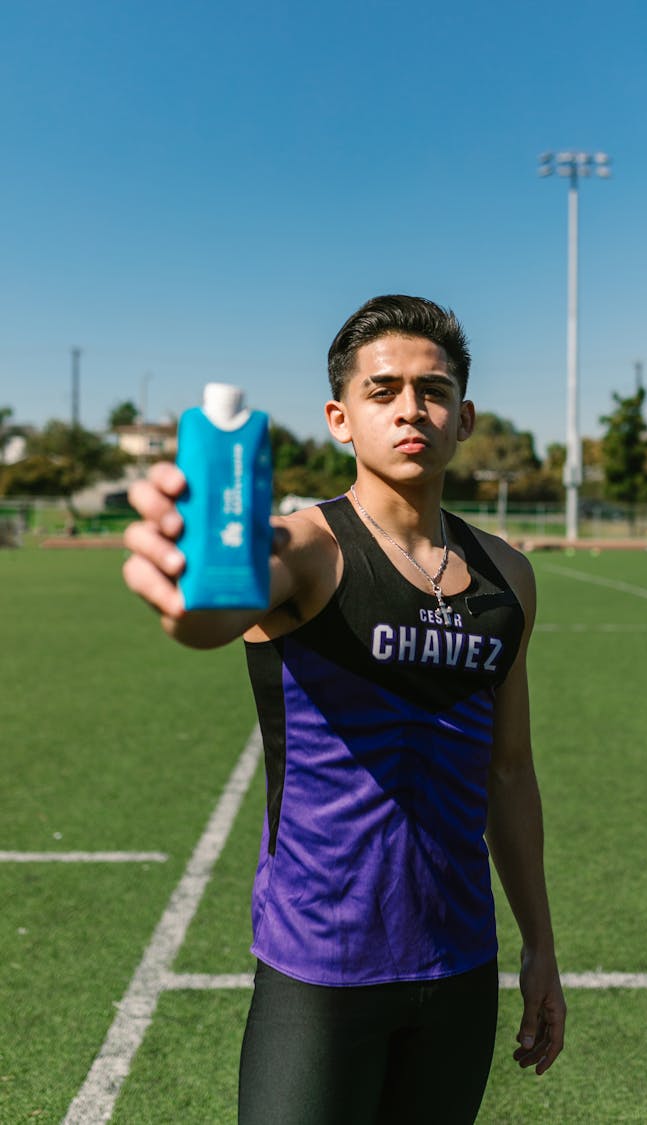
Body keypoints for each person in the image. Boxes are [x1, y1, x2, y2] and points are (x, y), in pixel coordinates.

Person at [123, 295, 566, 1124]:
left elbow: (509, 769)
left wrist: (539, 945)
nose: (410, 409)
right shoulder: (307, 548)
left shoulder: (510, 575)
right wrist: (184, 597)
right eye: (383, 389)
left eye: (432, 391)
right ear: (340, 417)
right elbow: (216, 610)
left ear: (464, 416)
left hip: (459, 965)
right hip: (319, 971)